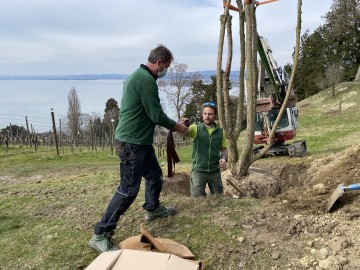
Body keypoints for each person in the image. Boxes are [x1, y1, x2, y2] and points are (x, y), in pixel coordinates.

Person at [88, 44, 189, 253]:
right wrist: (178, 127)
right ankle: (101, 234)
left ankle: (152, 209)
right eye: (166, 66)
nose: (166, 71)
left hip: (140, 142)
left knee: (154, 174)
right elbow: (156, 115)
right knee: (128, 190)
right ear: (159, 63)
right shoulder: (145, 80)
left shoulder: (139, 77)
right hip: (132, 143)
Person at [186, 101, 227, 197]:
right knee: (197, 201)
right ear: (202, 114)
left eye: (210, 114)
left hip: (214, 171)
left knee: (218, 198)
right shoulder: (195, 129)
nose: (207, 116)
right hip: (198, 171)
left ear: (215, 115)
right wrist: (181, 125)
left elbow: (223, 149)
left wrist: (224, 158)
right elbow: (185, 131)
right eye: (205, 114)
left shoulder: (221, 132)